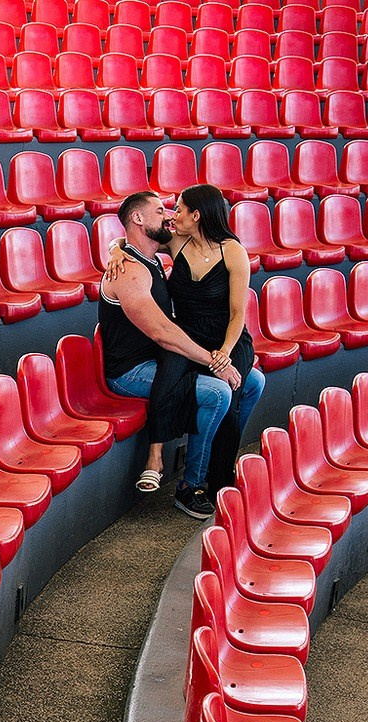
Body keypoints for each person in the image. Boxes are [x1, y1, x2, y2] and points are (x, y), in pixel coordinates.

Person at [96, 190, 246, 520]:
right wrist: (213, 360)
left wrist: (115, 246)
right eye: (161, 210)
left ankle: (220, 468)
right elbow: (163, 333)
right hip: (129, 372)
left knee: (252, 382)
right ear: (138, 219)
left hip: (159, 360)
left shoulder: (151, 259)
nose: (169, 216)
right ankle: (189, 486)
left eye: (173, 210)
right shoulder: (130, 272)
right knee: (219, 392)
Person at [146, 183, 265, 503]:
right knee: (174, 383)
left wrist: (223, 355)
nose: (174, 214)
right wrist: (117, 251)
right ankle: (169, 469)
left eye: (180, 209)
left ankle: (213, 481)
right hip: (187, 336)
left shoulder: (233, 251)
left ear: (196, 215)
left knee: (232, 397)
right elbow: (132, 241)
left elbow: (238, 313)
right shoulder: (176, 241)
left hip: (228, 339)